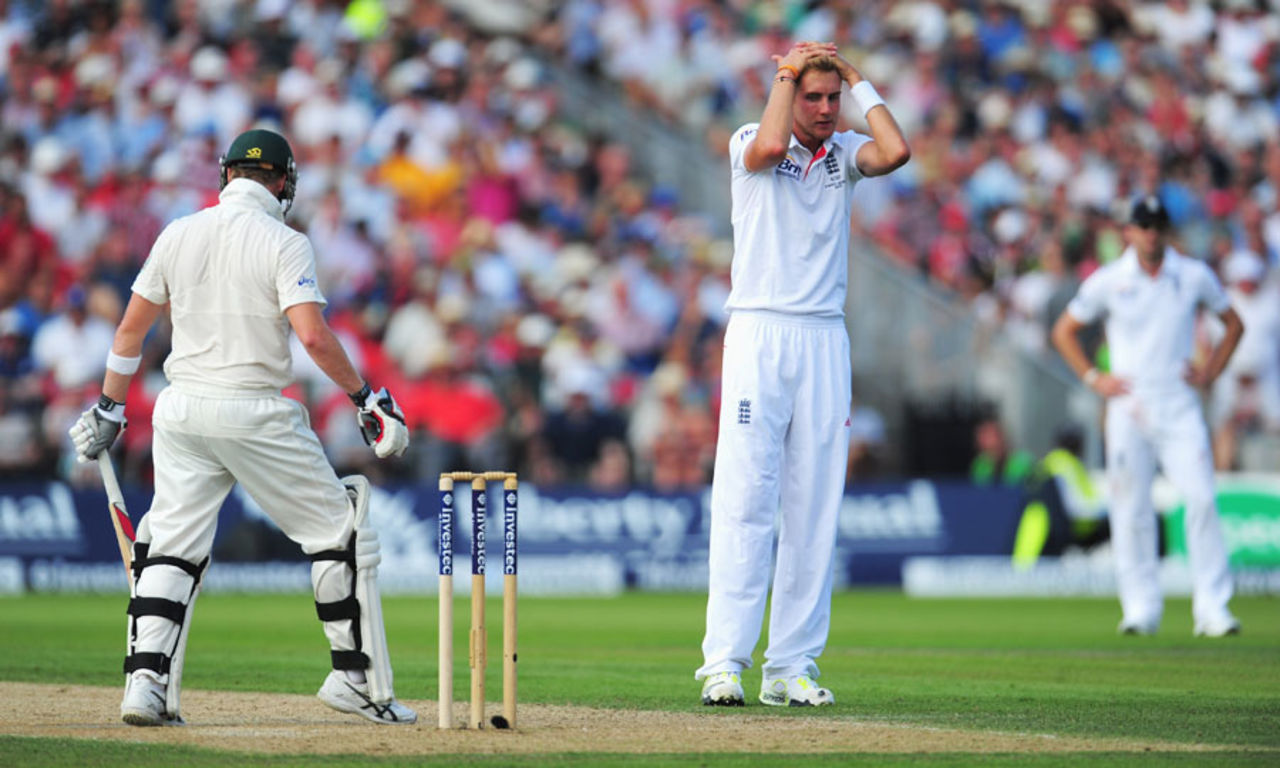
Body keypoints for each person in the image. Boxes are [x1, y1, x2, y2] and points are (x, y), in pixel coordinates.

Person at [68, 128, 418, 726]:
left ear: (227, 175)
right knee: (342, 530)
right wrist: (365, 397)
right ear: (282, 181)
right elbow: (310, 334)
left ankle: (145, 687)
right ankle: (354, 679)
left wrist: (109, 406)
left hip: (181, 411)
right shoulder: (285, 241)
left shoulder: (178, 232)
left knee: (171, 548)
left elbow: (130, 332)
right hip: (253, 408)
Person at [697, 42, 910, 707]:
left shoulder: (845, 153)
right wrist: (788, 73)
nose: (823, 109)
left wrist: (856, 77)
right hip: (761, 330)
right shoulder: (750, 142)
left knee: (814, 505)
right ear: (789, 92)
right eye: (810, 97)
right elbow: (766, 145)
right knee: (747, 499)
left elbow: (897, 152)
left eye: (830, 98)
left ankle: (790, 666)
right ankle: (725, 662)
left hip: (823, 337)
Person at [1051, 195, 1245, 638]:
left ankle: (1213, 608)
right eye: (1144, 226)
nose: (1151, 233)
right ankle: (1140, 608)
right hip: (1128, 406)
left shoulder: (1192, 275)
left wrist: (1211, 372)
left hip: (1178, 403)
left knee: (1200, 498)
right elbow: (1064, 331)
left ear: (1165, 230)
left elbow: (1233, 324)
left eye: (1157, 225)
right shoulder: (1110, 280)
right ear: (1130, 232)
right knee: (1130, 508)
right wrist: (1092, 377)